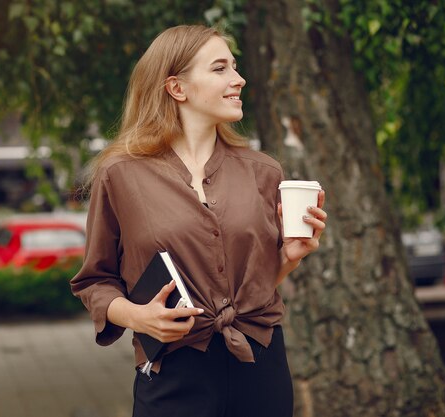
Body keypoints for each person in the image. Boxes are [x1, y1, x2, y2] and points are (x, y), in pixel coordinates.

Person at [70, 25, 327, 417]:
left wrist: (288, 257)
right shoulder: (120, 174)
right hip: (174, 372)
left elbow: (255, 284)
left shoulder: (265, 172)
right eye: (220, 68)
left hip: (261, 366)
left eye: (235, 67)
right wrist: (140, 317)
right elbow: (95, 281)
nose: (238, 79)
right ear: (177, 88)